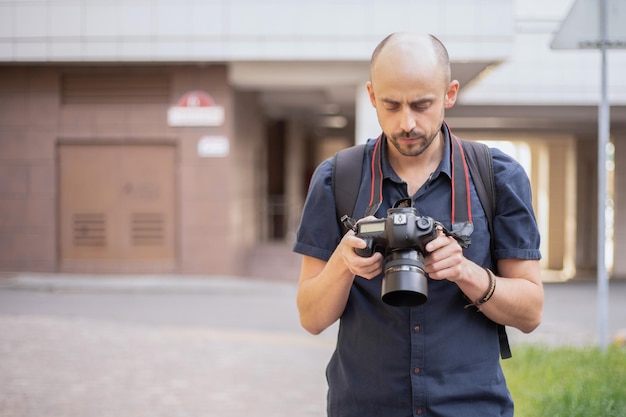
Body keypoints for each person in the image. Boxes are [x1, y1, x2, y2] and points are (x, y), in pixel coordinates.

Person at [293, 32, 544, 417]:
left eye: (422, 104)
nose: (407, 122)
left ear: (450, 93)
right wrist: (344, 262)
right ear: (372, 95)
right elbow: (311, 318)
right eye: (391, 105)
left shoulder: (496, 177)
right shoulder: (337, 178)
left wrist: (465, 272)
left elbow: (530, 312)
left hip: (471, 407)